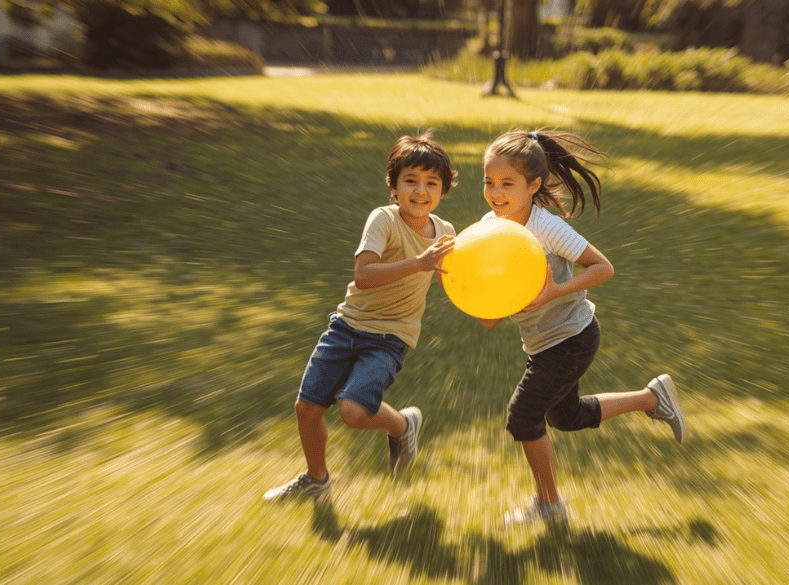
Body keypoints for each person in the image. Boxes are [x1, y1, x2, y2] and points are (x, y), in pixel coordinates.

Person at [476, 129, 688, 526]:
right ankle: (652, 398)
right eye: (489, 181)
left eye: (507, 183)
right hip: (542, 342)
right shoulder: (490, 227)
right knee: (566, 417)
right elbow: (491, 314)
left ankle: (549, 506)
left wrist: (554, 290)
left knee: (522, 417)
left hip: (572, 337)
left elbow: (603, 267)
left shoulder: (546, 228)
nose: (495, 192)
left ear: (533, 185)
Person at [263, 131, 457, 502]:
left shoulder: (445, 233)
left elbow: (459, 280)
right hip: (346, 327)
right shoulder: (383, 219)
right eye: (410, 180)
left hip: (390, 338)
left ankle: (403, 425)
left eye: (432, 183)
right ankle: (316, 479)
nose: (420, 190)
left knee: (354, 412)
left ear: (444, 190)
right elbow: (363, 276)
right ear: (393, 185)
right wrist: (419, 262)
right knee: (307, 407)